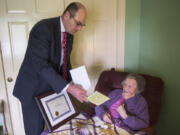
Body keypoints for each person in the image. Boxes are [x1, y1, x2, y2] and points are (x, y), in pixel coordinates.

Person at [13, 2, 88, 135]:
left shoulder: (69, 35)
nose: (80, 28)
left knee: (54, 129)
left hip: (51, 89)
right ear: (66, 15)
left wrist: (75, 82)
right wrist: (69, 88)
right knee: (35, 131)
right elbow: (40, 65)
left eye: (82, 25)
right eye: (78, 23)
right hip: (33, 90)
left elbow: (64, 62)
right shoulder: (43, 28)